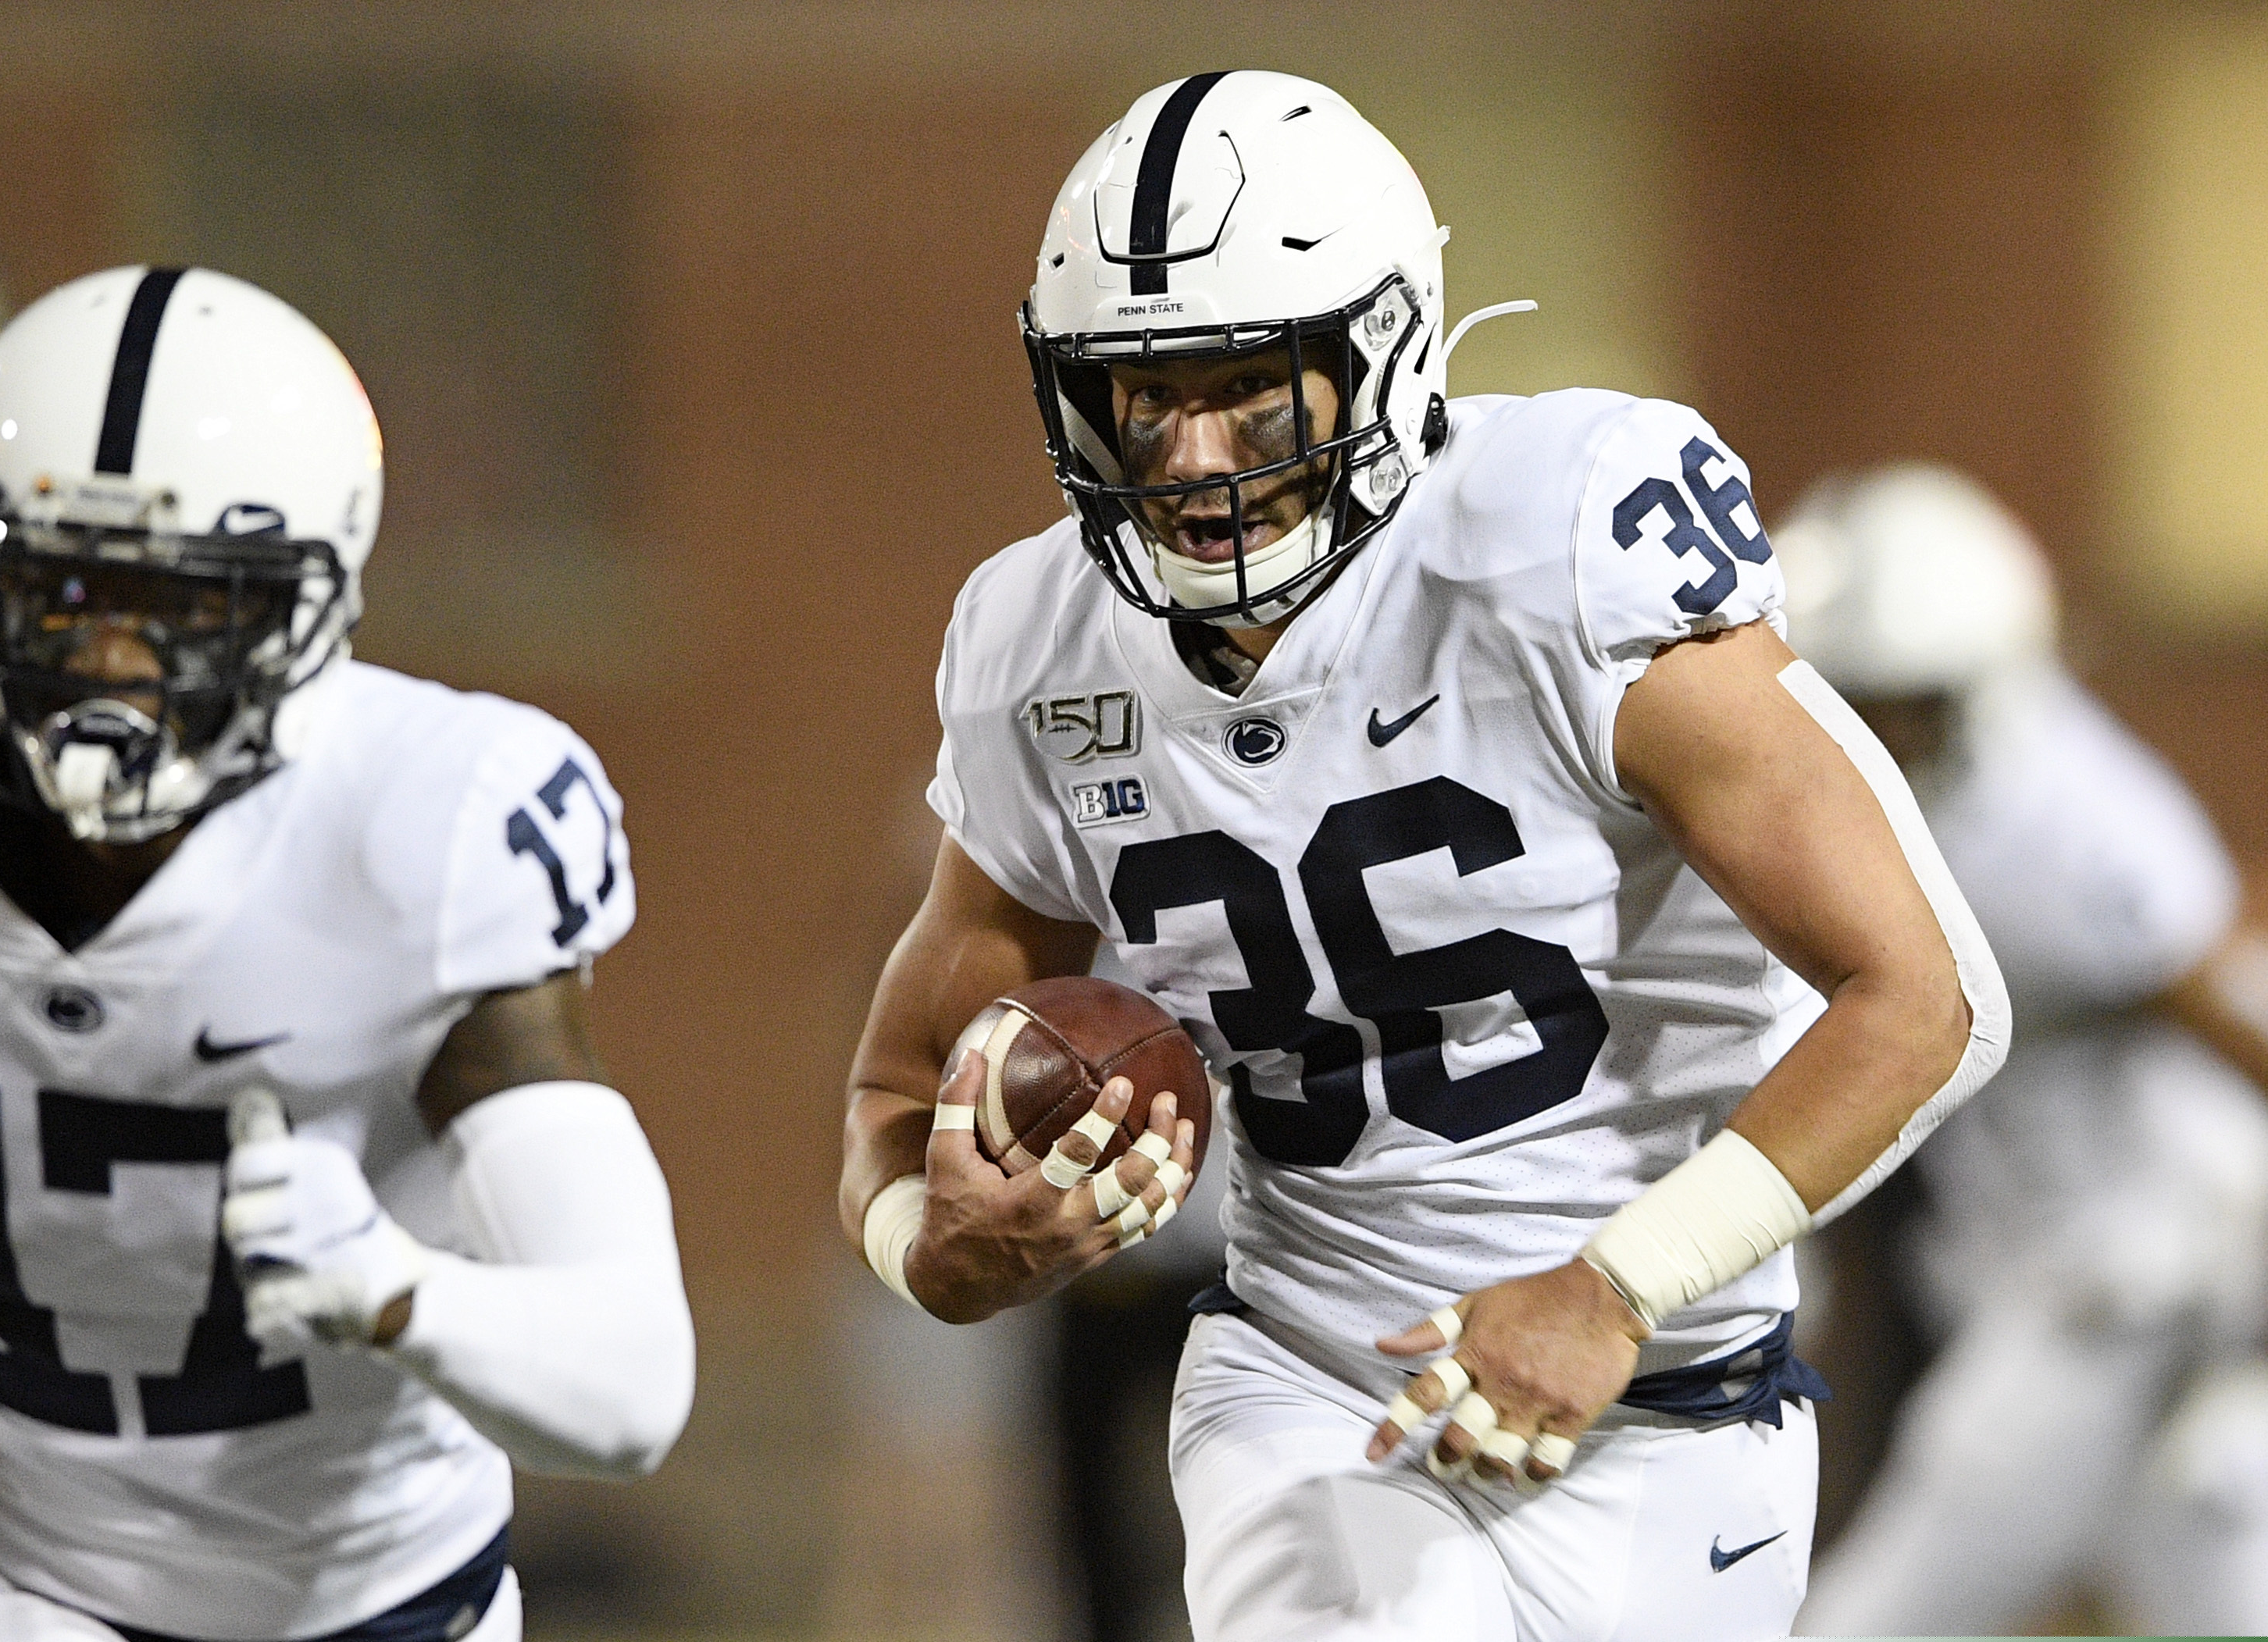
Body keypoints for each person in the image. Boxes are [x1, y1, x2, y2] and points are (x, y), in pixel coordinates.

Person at [836, 70, 2009, 1641]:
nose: (1189, 456)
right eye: (1141, 393)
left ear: (1375, 353)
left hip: (1662, 1397)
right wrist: (935, 1247)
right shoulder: (1041, 647)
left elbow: (1926, 997)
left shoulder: (1559, 547)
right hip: (1303, 1373)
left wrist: (1613, 1286)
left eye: (1250, 389)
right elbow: (890, 1096)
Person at [0, 266, 695, 1642]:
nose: (110, 662)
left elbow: (633, 1388)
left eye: (179, 610)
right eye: (59, 593)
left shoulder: (428, 828)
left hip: (377, 1604)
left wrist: (398, 1288)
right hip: (7, 1566)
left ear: (306, 613)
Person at [1781, 465, 2268, 1638]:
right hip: (2055, 1254)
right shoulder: (1906, 804)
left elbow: (2222, 1006)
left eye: (1905, 699)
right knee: (2210, 1580)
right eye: (1851, 696)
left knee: (1888, 1609)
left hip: (2128, 1265)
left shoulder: (2056, 814)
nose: (1878, 730)